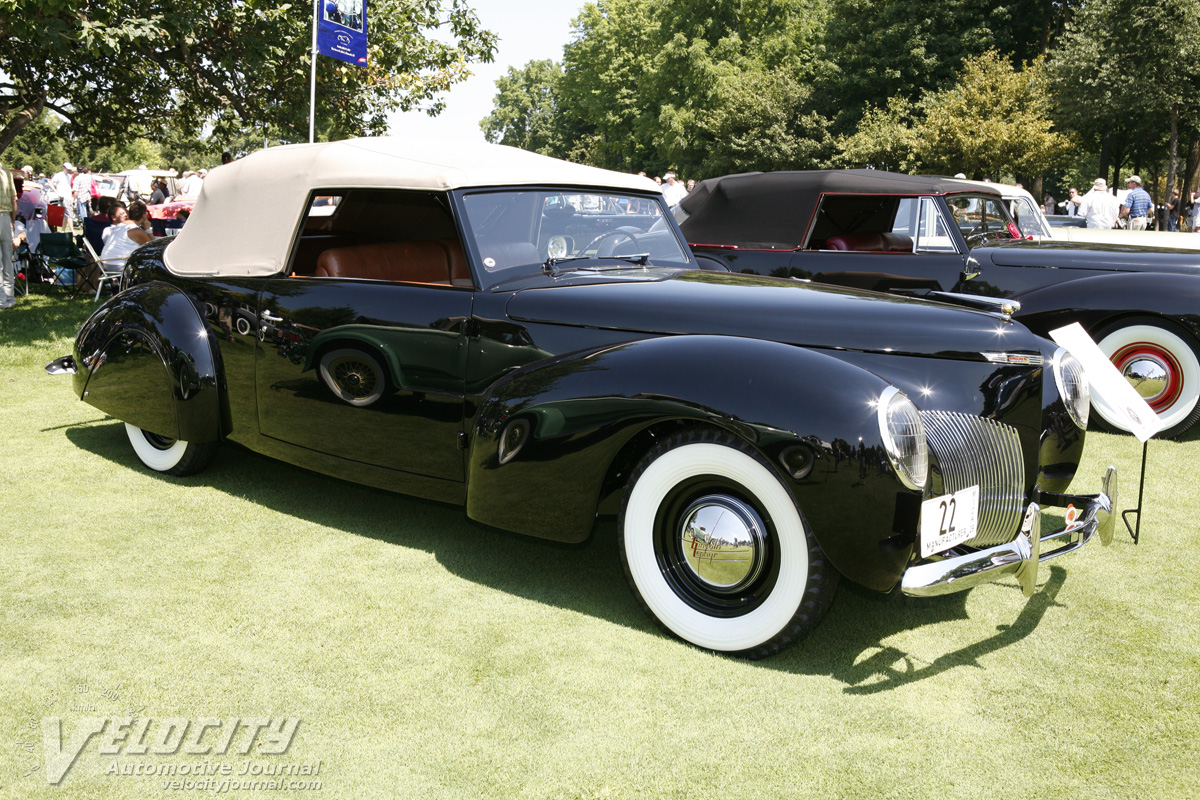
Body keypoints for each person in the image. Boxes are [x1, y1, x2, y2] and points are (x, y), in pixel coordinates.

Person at [100, 200, 154, 268]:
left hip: (106, 263)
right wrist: (148, 229)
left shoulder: (121, 225)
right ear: (143, 215)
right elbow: (153, 249)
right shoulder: (136, 231)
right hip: (117, 265)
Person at [0, 163, 17, 309]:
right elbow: (14, 199)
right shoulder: (5, 169)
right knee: (7, 260)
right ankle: (10, 297)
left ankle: (2, 300)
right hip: (5, 217)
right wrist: (12, 221)